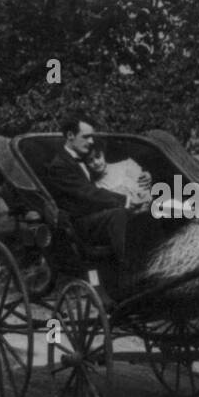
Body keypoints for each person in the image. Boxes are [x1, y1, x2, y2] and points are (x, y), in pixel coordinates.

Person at [38, 113, 150, 290]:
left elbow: (117, 168)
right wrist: (125, 200)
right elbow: (88, 194)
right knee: (118, 214)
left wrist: (144, 174)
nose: (91, 141)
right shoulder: (59, 165)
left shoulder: (86, 157)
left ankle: (150, 263)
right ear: (70, 136)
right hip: (78, 225)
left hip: (96, 218)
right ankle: (130, 272)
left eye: (92, 137)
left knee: (144, 215)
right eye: (86, 136)